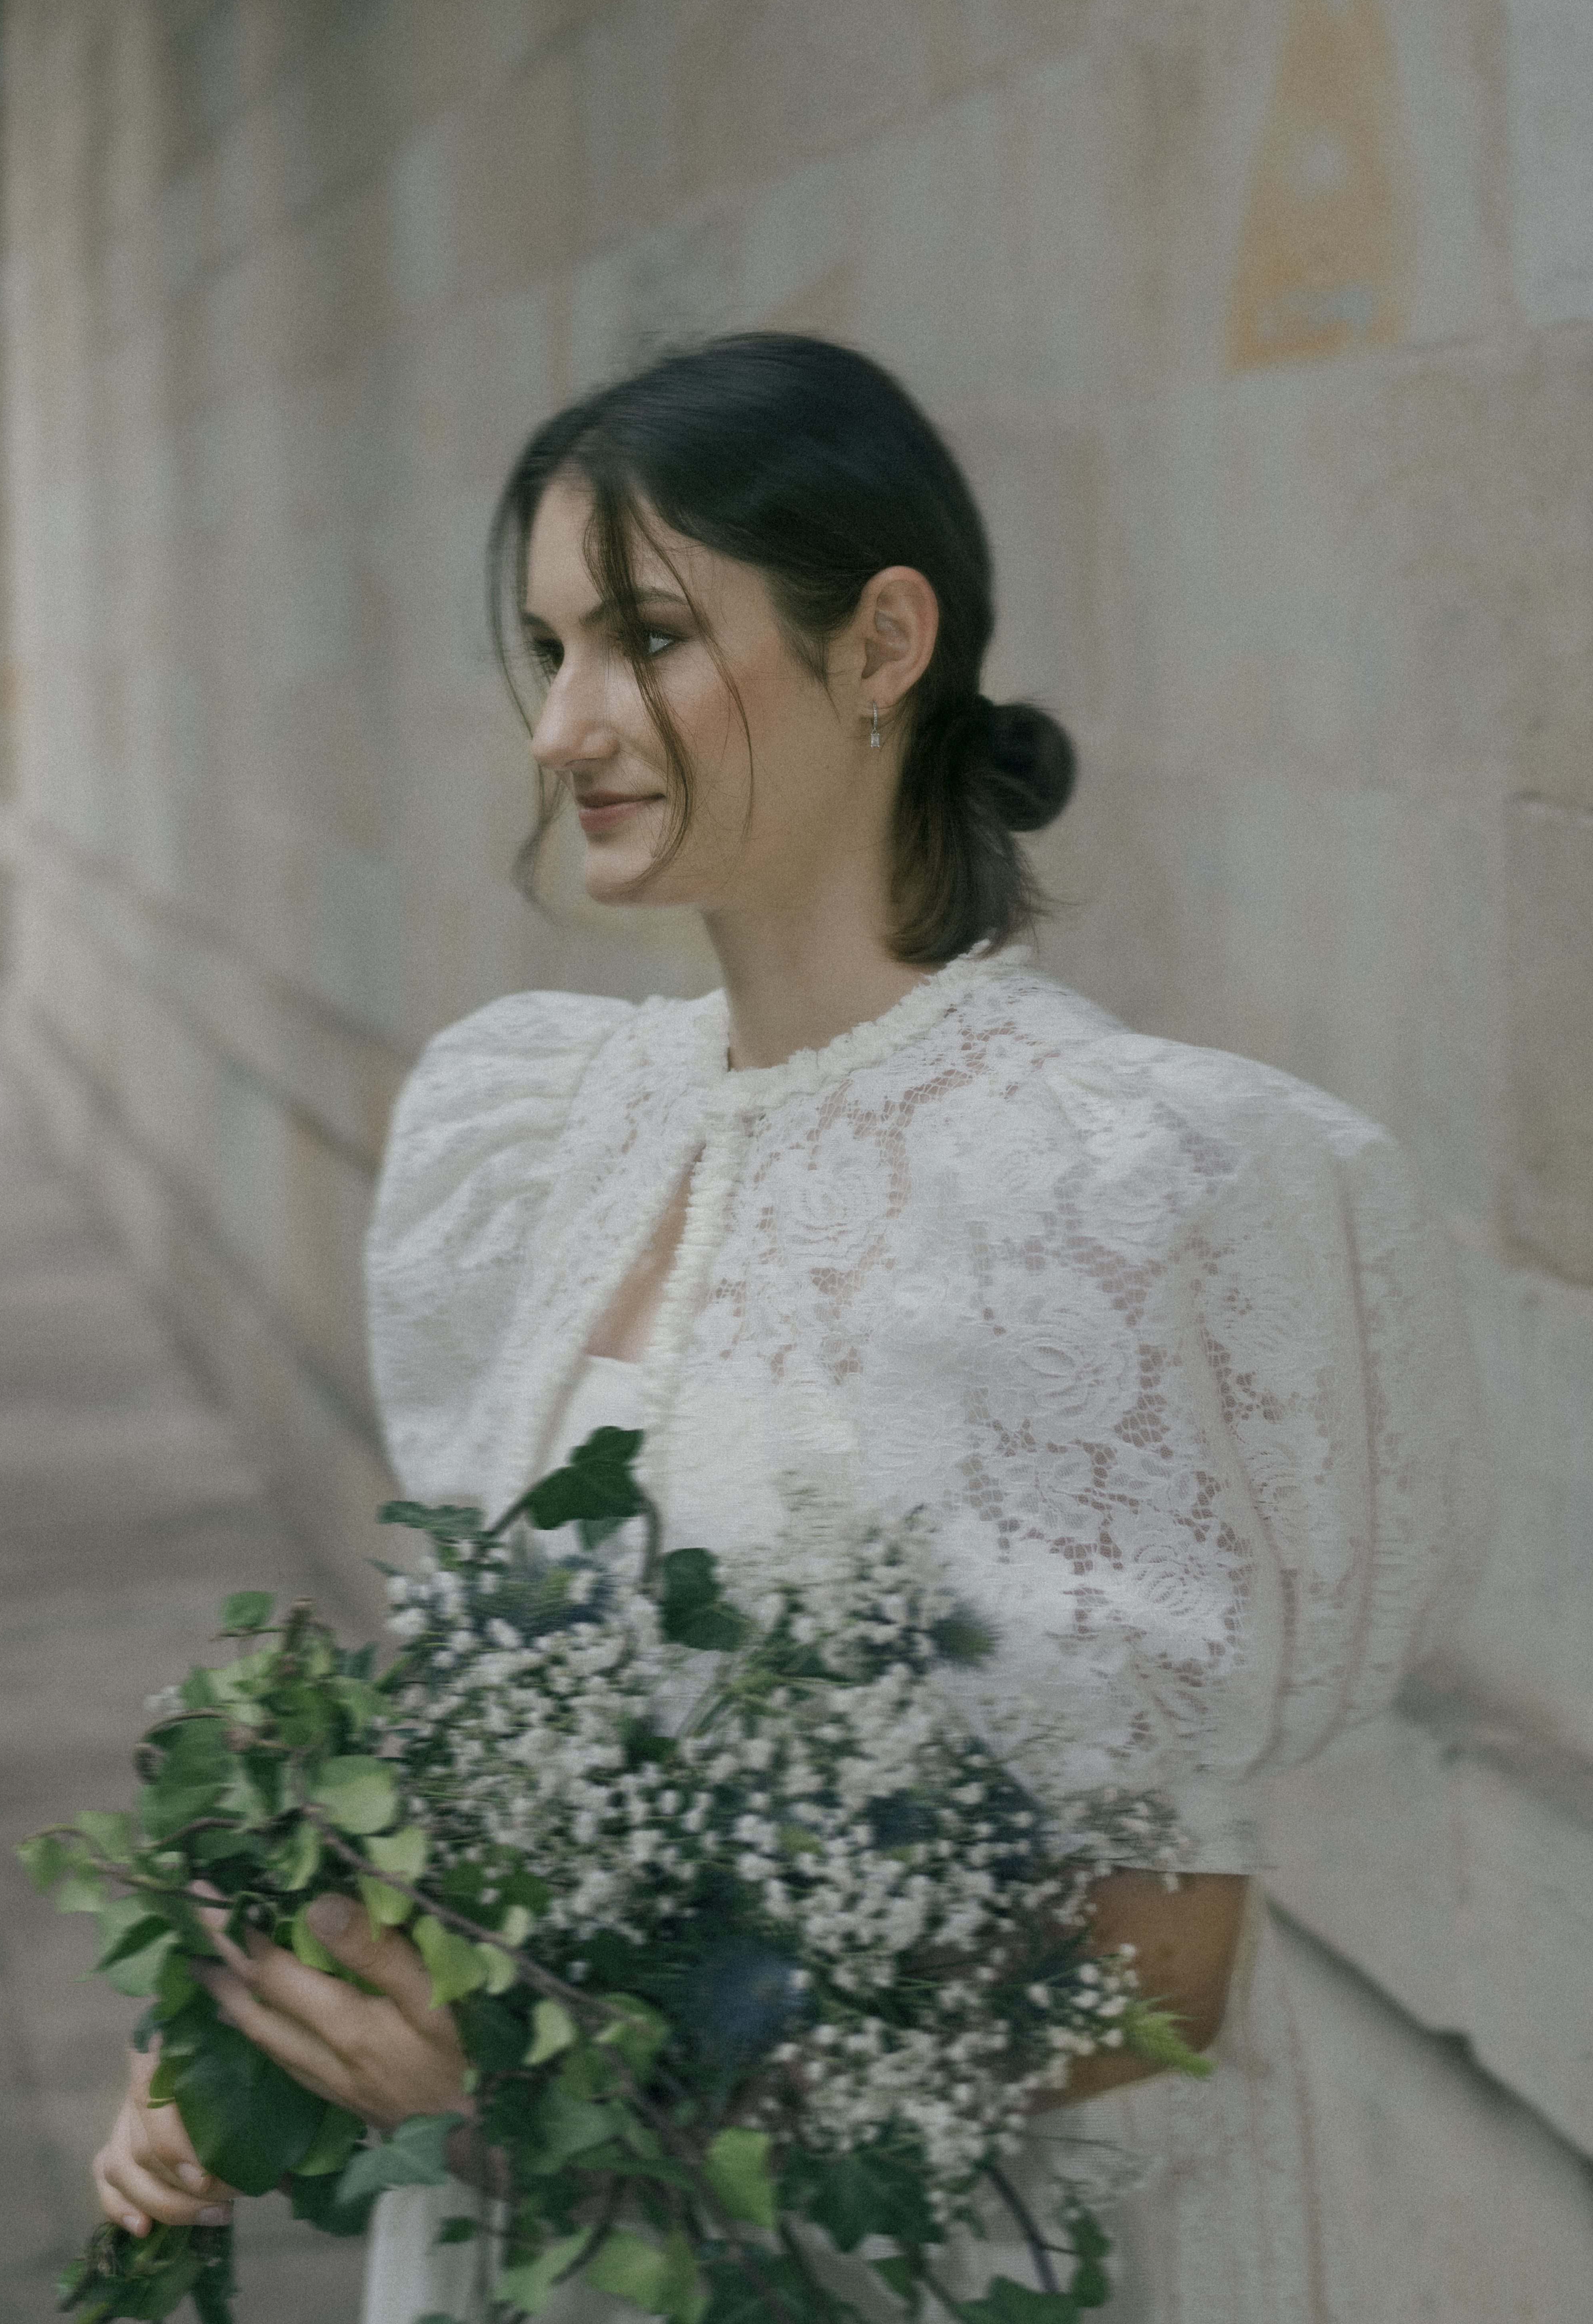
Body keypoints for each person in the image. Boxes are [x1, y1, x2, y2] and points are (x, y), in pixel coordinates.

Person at [92, 334, 1484, 2322]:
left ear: (880, 642)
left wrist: (564, 2088)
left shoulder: (1109, 1182)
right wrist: (262, 2015)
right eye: (547, 647)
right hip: (545, 2252)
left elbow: (1157, 1969)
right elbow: (509, 1767)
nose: (566, 723)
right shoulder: (549, 1126)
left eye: (645, 637)